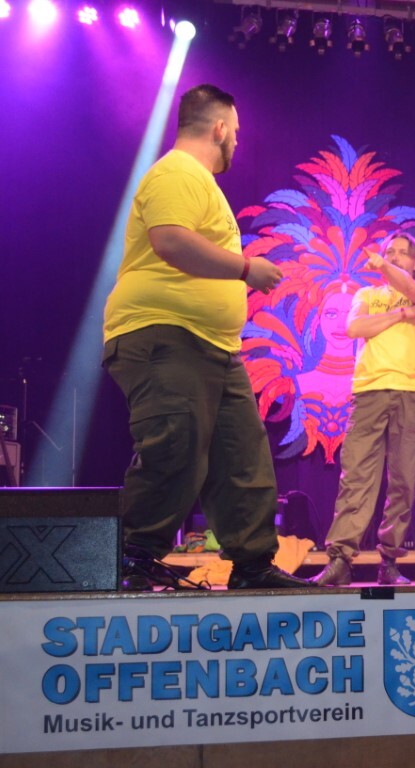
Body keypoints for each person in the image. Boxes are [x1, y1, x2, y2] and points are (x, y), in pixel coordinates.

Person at [102, 84, 310, 590]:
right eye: (235, 131)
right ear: (219, 128)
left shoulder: (199, 183)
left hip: (212, 346)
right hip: (167, 332)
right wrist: (245, 268)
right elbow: (170, 240)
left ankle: (253, 565)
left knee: (242, 457)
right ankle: (131, 559)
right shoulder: (177, 172)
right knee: (176, 445)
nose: (237, 141)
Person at [312, 233, 415, 586]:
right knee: (356, 478)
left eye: (402, 253)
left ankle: (389, 562)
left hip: (410, 393)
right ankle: (340, 560)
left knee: (404, 480)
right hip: (368, 392)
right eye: (388, 252)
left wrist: (386, 269)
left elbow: (412, 292)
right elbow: (354, 327)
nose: (395, 257)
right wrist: (402, 314)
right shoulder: (366, 295)